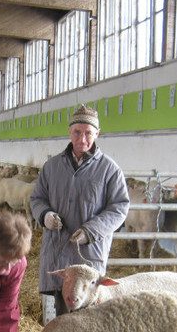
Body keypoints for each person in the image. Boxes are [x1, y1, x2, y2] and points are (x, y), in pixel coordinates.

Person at [30, 104, 129, 316]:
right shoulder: (52, 166)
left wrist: (91, 231)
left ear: (97, 134)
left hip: (89, 256)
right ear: (69, 132)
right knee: (62, 316)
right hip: (58, 251)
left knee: (90, 316)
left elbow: (119, 208)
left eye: (88, 133)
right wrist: (45, 215)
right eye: (77, 132)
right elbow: (37, 198)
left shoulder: (109, 169)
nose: (82, 139)